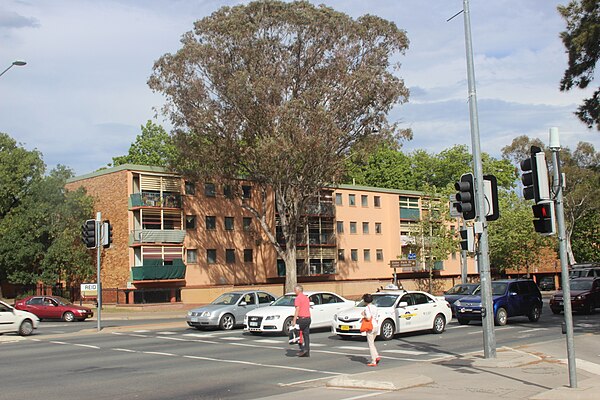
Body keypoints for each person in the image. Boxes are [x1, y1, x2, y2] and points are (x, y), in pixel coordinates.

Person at [291, 284, 311, 357]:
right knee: (306, 335)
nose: (294, 291)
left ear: (298, 290)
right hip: (308, 318)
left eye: (295, 290)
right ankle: (307, 350)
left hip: (302, 318)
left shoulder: (298, 298)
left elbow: (297, 309)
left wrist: (294, 320)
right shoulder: (306, 298)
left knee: (296, 332)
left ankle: (302, 348)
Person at [362, 293, 381, 367]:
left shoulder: (367, 308)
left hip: (370, 326)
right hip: (376, 325)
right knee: (372, 343)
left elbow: (368, 317)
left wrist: (363, 315)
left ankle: (374, 361)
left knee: (371, 344)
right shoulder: (375, 307)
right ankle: (376, 356)